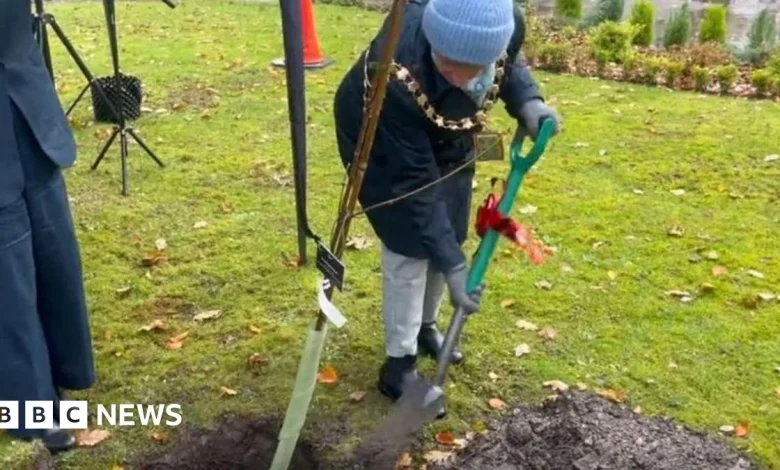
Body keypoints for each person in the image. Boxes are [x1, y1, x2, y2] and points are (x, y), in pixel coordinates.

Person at [333, 0, 560, 415]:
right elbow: (415, 189)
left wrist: (528, 101)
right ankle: (398, 366)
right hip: (383, 139)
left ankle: (425, 327)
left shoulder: (506, 24)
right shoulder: (398, 70)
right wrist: (458, 270)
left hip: (449, 131)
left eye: (473, 66)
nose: (460, 77)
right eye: (448, 63)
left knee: (451, 227)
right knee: (409, 244)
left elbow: (509, 65)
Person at [0, 0, 96, 453]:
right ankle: (30, 409)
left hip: (26, 110)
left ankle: (65, 370)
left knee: (53, 248)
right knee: (7, 277)